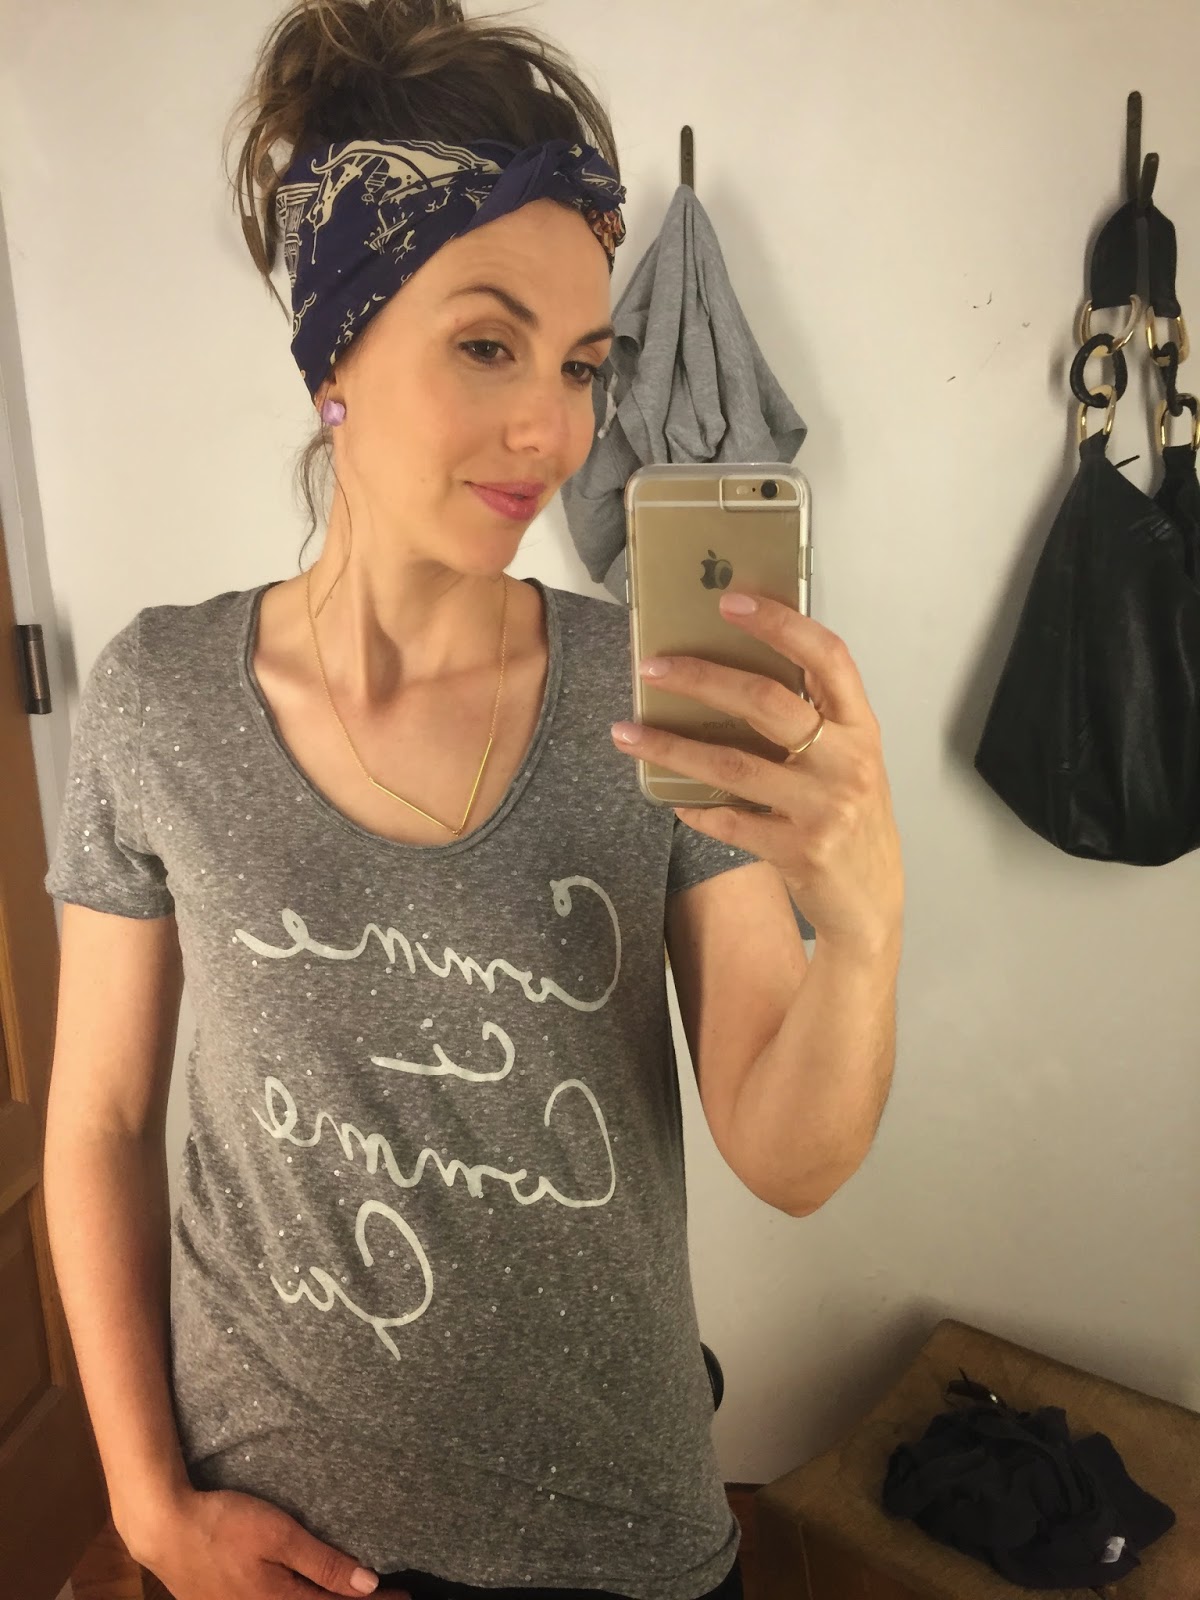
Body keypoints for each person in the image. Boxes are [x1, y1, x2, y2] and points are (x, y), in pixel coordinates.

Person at [40, 2, 904, 1599]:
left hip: (617, 1543)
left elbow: (789, 1156)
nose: (553, 431)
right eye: (488, 345)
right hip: (268, 1541)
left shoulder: (654, 689)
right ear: (337, 354)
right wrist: (147, 1505)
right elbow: (98, 1121)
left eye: (581, 366)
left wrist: (862, 931)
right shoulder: (160, 699)